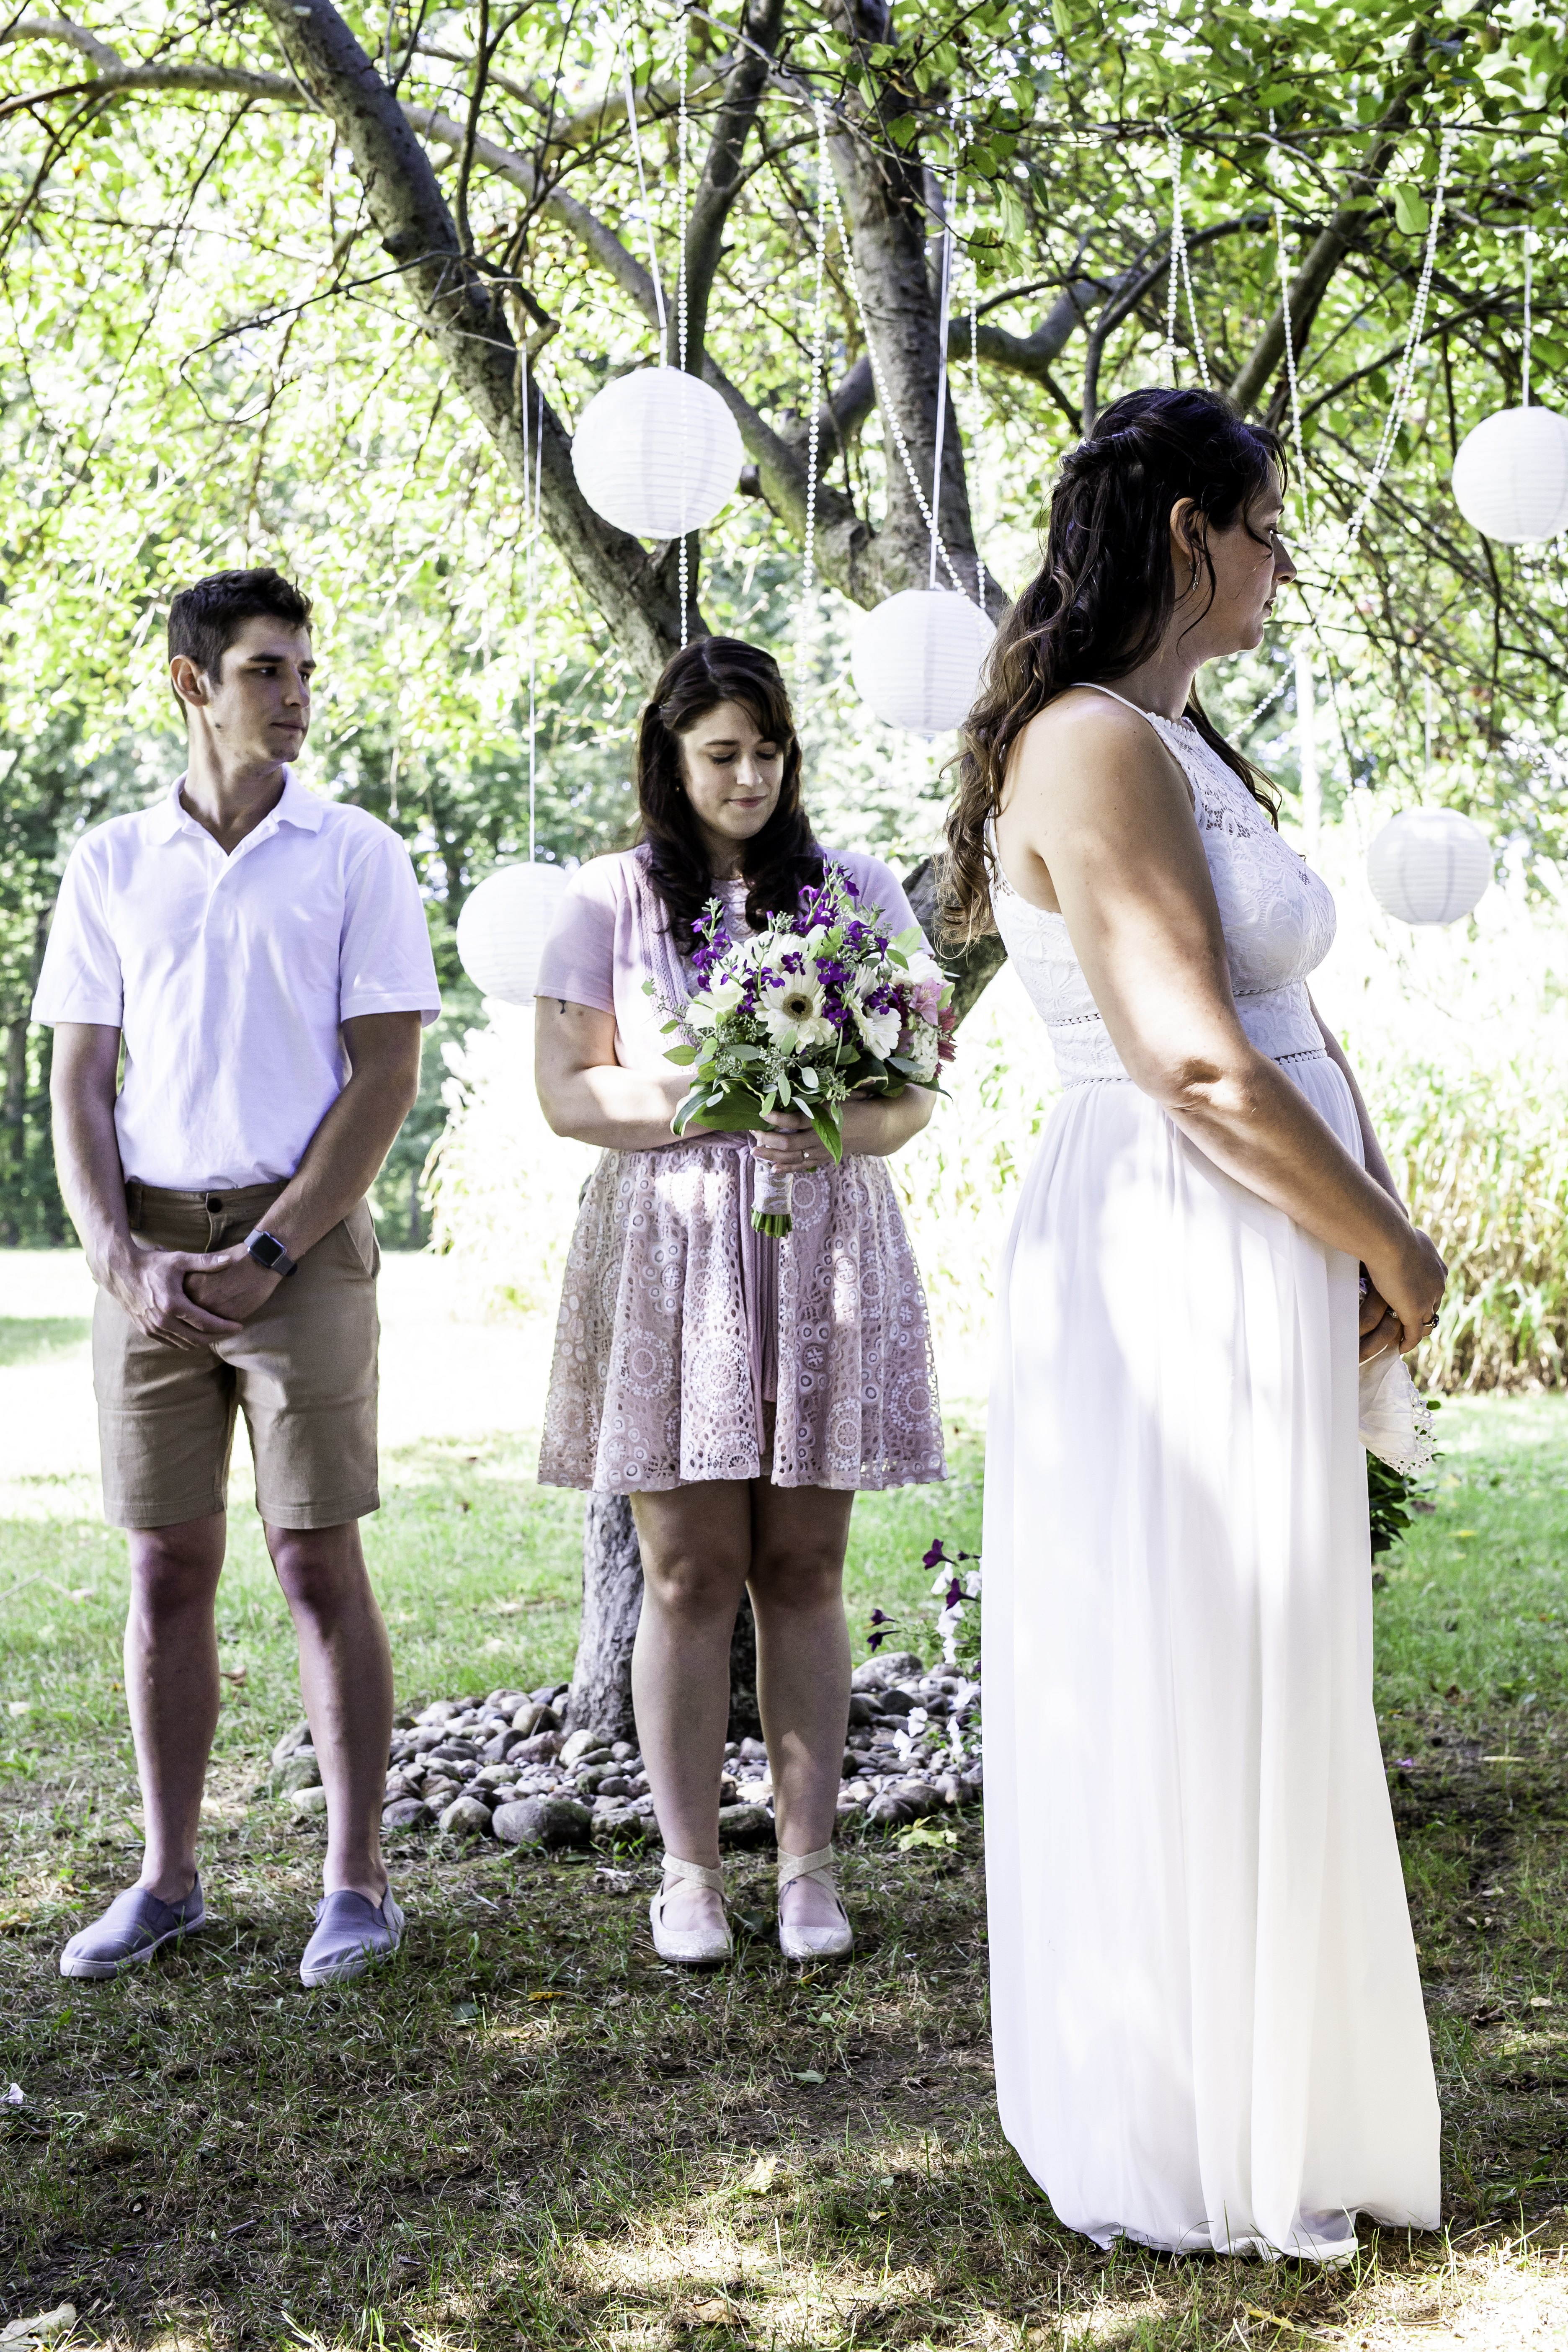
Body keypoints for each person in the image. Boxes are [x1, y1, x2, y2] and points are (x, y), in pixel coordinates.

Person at [944, 389, 1445, 2259]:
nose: (1287, 564)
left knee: (1273, 1658)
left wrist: (1364, 1221)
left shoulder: (1174, 736)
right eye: (1266, 529)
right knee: (1194, 1654)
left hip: (1256, 1232)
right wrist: (1395, 1246)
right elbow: (1196, 1065)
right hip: (1178, 1239)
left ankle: (1279, 2080)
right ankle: (1186, 2119)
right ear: (1185, 537)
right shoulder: (1090, 744)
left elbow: (1280, 1028)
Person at [34, 567, 440, 1988]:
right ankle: (168, 1878)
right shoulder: (110, 865)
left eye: (305, 672)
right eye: (269, 671)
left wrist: (272, 1253)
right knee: (165, 1563)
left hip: (300, 1244)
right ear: (192, 682)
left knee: (316, 1556)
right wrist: (118, 1256)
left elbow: (386, 1077)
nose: (298, 696)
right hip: (147, 1250)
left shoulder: (357, 855)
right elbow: (77, 1082)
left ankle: (357, 1884)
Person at [534, 637, 944, 1966]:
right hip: (673, 1249)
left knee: (805, 1565)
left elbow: (913, 1094)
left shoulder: (857, 889)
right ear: (669, 756)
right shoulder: (604, 899)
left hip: (815, 1236)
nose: (751, 777)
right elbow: (568, 1094)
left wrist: (837, 1126)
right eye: (723, 754)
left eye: (770, 754)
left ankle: (813, 1866)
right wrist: (719, 1098)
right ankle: (692, 1874)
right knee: (690, 1567)